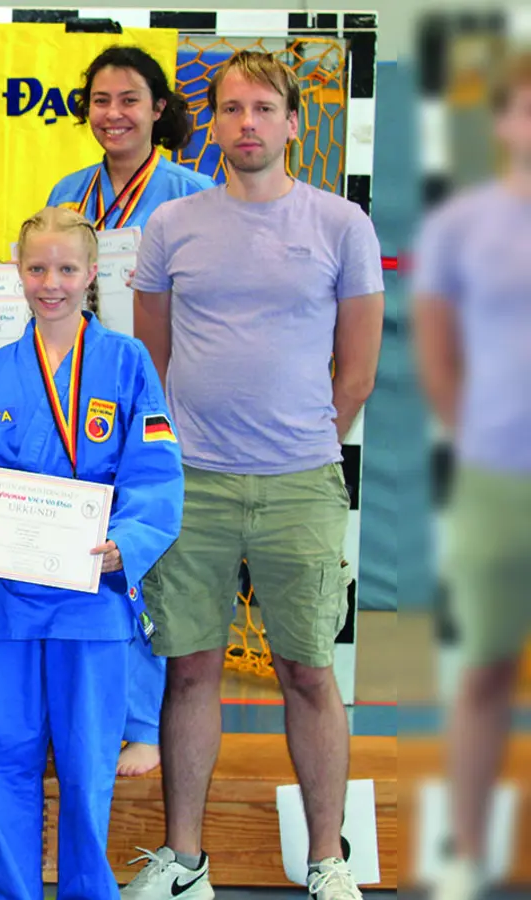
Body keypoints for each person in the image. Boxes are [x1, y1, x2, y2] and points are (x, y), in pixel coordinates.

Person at [123, 51, 384, 900]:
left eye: (263, 108)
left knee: (308, 671)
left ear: (291, 122)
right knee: (189, 667)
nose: (247, 124)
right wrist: (179, 452)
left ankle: (327, 863)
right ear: (212, 123)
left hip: (301, 483)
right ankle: (186, 863)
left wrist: (302, 442)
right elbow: (149, 359)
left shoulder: (342, 223)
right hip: (189, 485)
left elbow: (358, 373)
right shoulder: (174, 226)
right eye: (231, 109)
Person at [0, 207, 183, 900]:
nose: (51, 283)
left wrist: (127, 543)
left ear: (90, 276)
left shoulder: (127, 361)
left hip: (92, 593)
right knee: (2, 759)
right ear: (19, 272)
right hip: (11, 599)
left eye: (67, 269)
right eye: (38, 268)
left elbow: (156, 471)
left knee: (85, 770)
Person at [46, 44, 214, 778]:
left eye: (129, 100)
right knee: (82, 560)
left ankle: (144, 722)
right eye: (101, 100)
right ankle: (86, 721)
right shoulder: (68, 191)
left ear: (157, 108)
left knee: (142, 559)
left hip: (160, 397)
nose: (113, 114)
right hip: (77, 396)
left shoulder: (193, 193)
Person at [411, 50, 531, 900]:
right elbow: (436, 350)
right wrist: (476, 435)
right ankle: (462, 848)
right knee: (485, 669)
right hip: (496, 478)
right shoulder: (463, 225)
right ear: (502, 123)